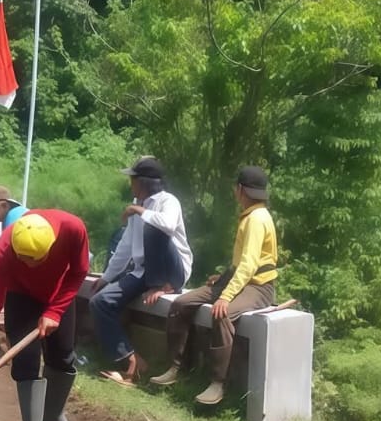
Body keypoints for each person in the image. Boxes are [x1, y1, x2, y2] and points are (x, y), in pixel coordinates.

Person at [152, 166, 279, 407]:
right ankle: (178, 367)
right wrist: (222, 279)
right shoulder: (251, 215)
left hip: (258, 287)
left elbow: (250, 264)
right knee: (181, 304)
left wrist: (226, 296)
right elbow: (241, 262)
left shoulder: (256, 219)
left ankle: (218, 383)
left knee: (223, 314)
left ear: (240, 189)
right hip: (238, 279)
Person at [0, 209, 90, 421]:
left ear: (52, 245)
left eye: (35, 259)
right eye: (22, 258)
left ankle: (54, 416)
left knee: (63, 355)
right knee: (26, 360)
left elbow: (79, 272)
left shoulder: (73, 228)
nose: (28, 264)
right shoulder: (3, 251)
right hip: (21, 295)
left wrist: (55, 311)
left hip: (58, 294)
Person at [90, 156, 191, 383]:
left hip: (171, 272)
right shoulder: (140, 207)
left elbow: (168, 225)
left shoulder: (168, 201)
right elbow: (126, 247)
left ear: (144, 182)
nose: (131, 185)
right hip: (144, 272)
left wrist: (138, 211)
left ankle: (162, 286)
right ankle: (132, 361)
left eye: (133, 180)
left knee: (155, 229)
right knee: (99, 302)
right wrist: (106, 278)